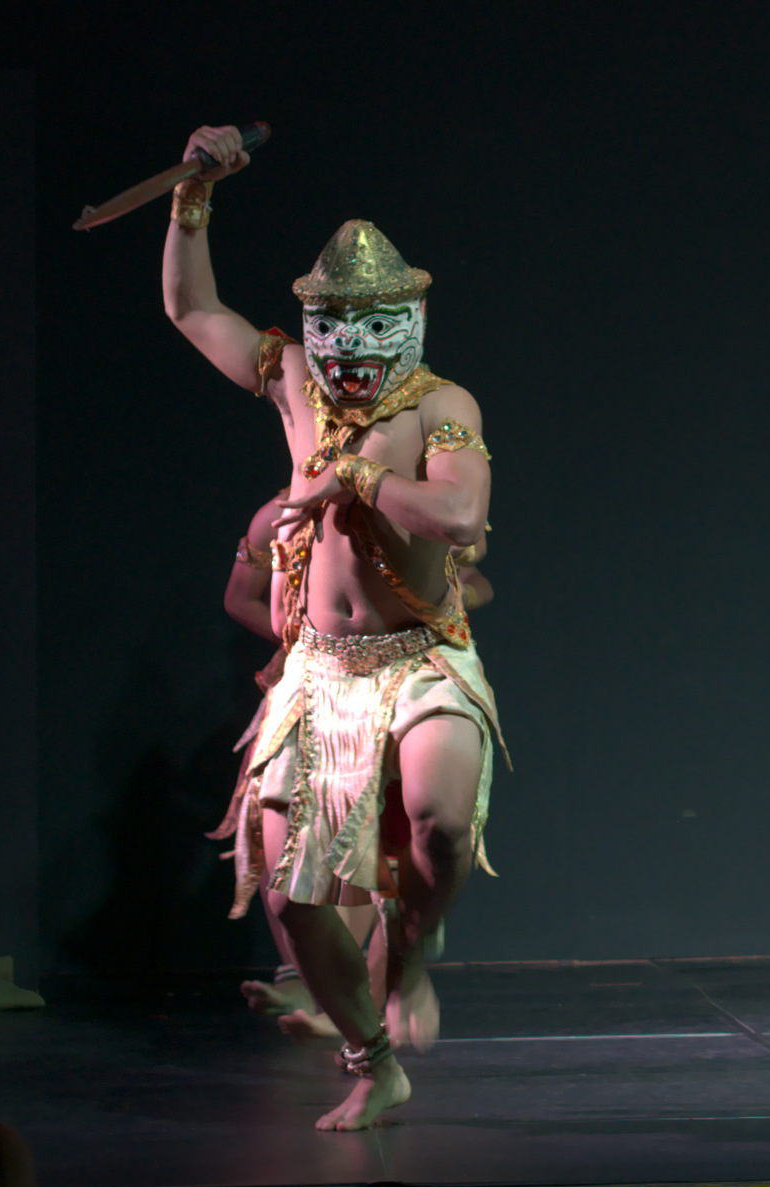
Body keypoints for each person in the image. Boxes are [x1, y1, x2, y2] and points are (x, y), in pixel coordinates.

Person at [164, 124, 508, 1131]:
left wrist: (350, 475)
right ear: (314, 328)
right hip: (320, 673)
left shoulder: (443, 407)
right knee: (286, 887)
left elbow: (458, 519)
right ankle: (371, 1056)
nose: (350, 351)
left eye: (373, 327)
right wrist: (194, 194)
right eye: (334, 328)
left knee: (441, 821)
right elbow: (192, 309)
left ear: (411, 320)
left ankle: (411, 952)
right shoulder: (292, 383)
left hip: (422, 659)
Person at [217, 498, 494, 1038]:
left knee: (381, 829)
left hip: (406, 678)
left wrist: (426, 612)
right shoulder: (276, 515)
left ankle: (384, 977)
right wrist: (312, 635)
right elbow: (241, 598)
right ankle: (316, 986)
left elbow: (476, 579)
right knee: (296, 841)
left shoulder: (410, 507)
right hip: (317, 682)